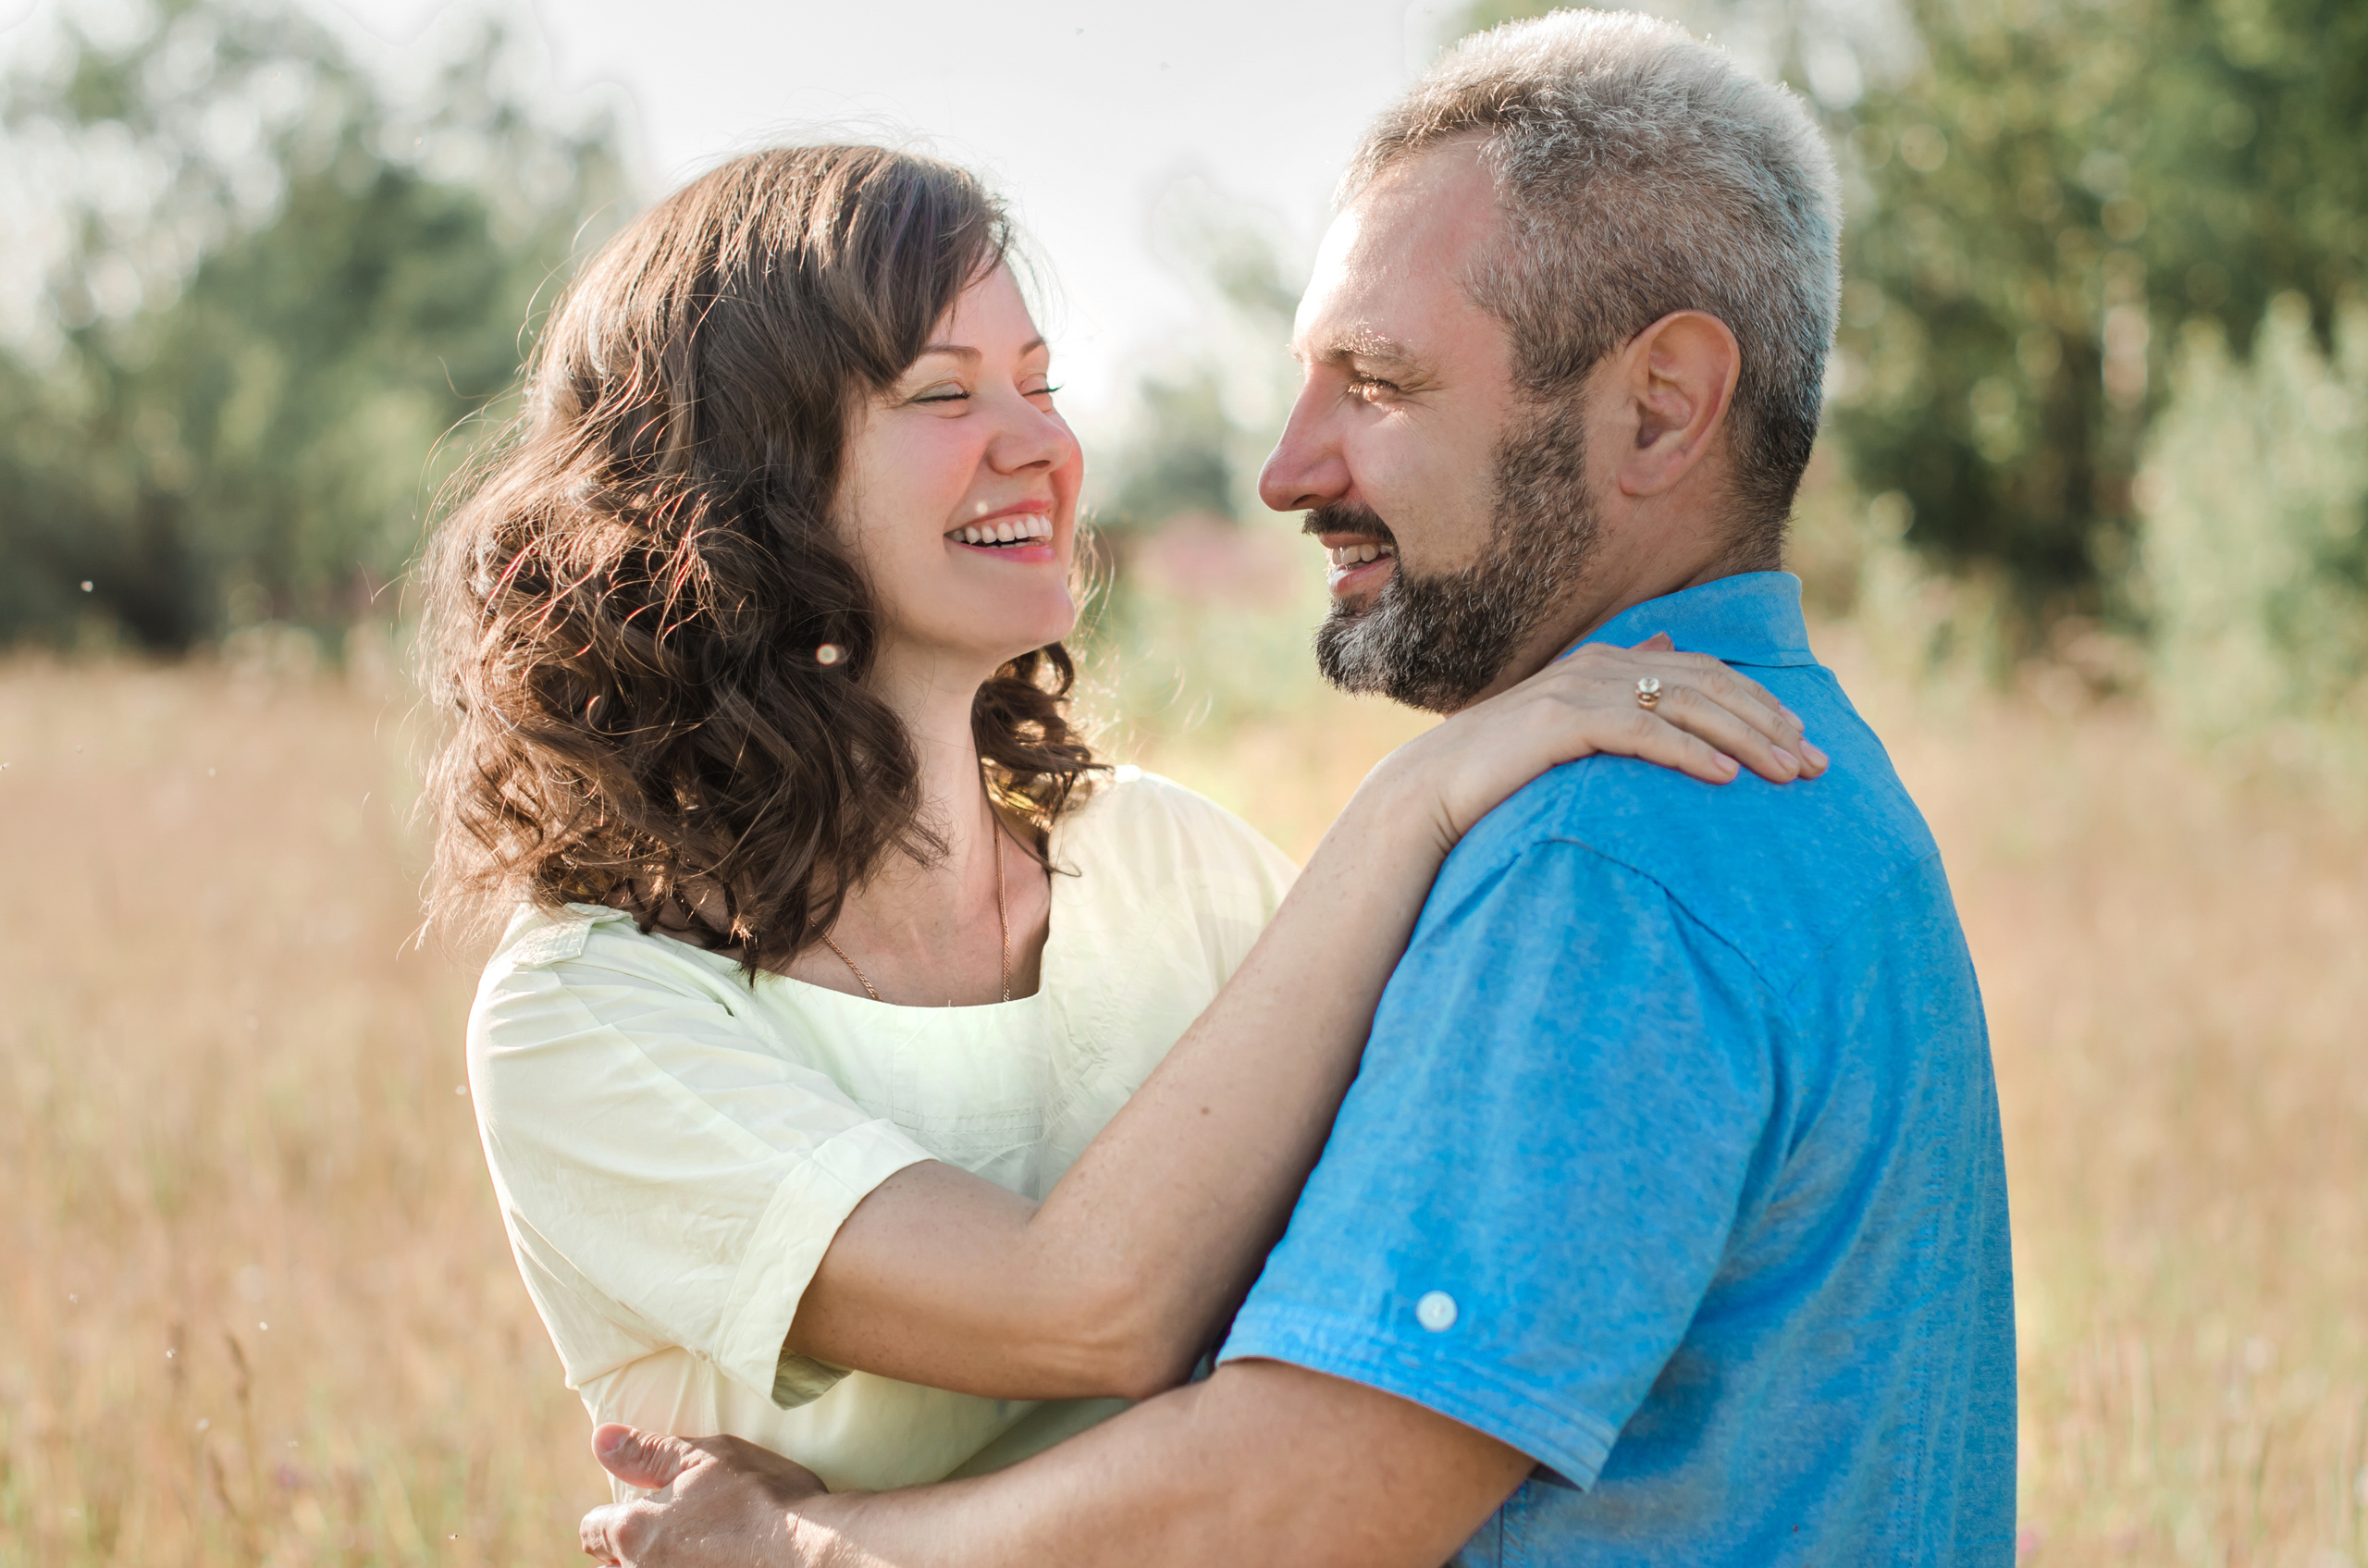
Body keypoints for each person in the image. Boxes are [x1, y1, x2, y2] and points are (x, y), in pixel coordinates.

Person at [576, 11, 2016, 1568]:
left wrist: (809, 1550)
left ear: (1659, 408)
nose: (1285, 468)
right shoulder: (1812, 788)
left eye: (1377, 382)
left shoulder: (1602, 857)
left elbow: (1303, 1497)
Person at [421, 140, 1818, 1502]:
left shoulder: (1169, 866)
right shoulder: (590, 1017)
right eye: (942, 393)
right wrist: (1415, 796)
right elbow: (1083, 1311)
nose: (1039, 447)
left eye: (1040, 385)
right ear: (746, 479)